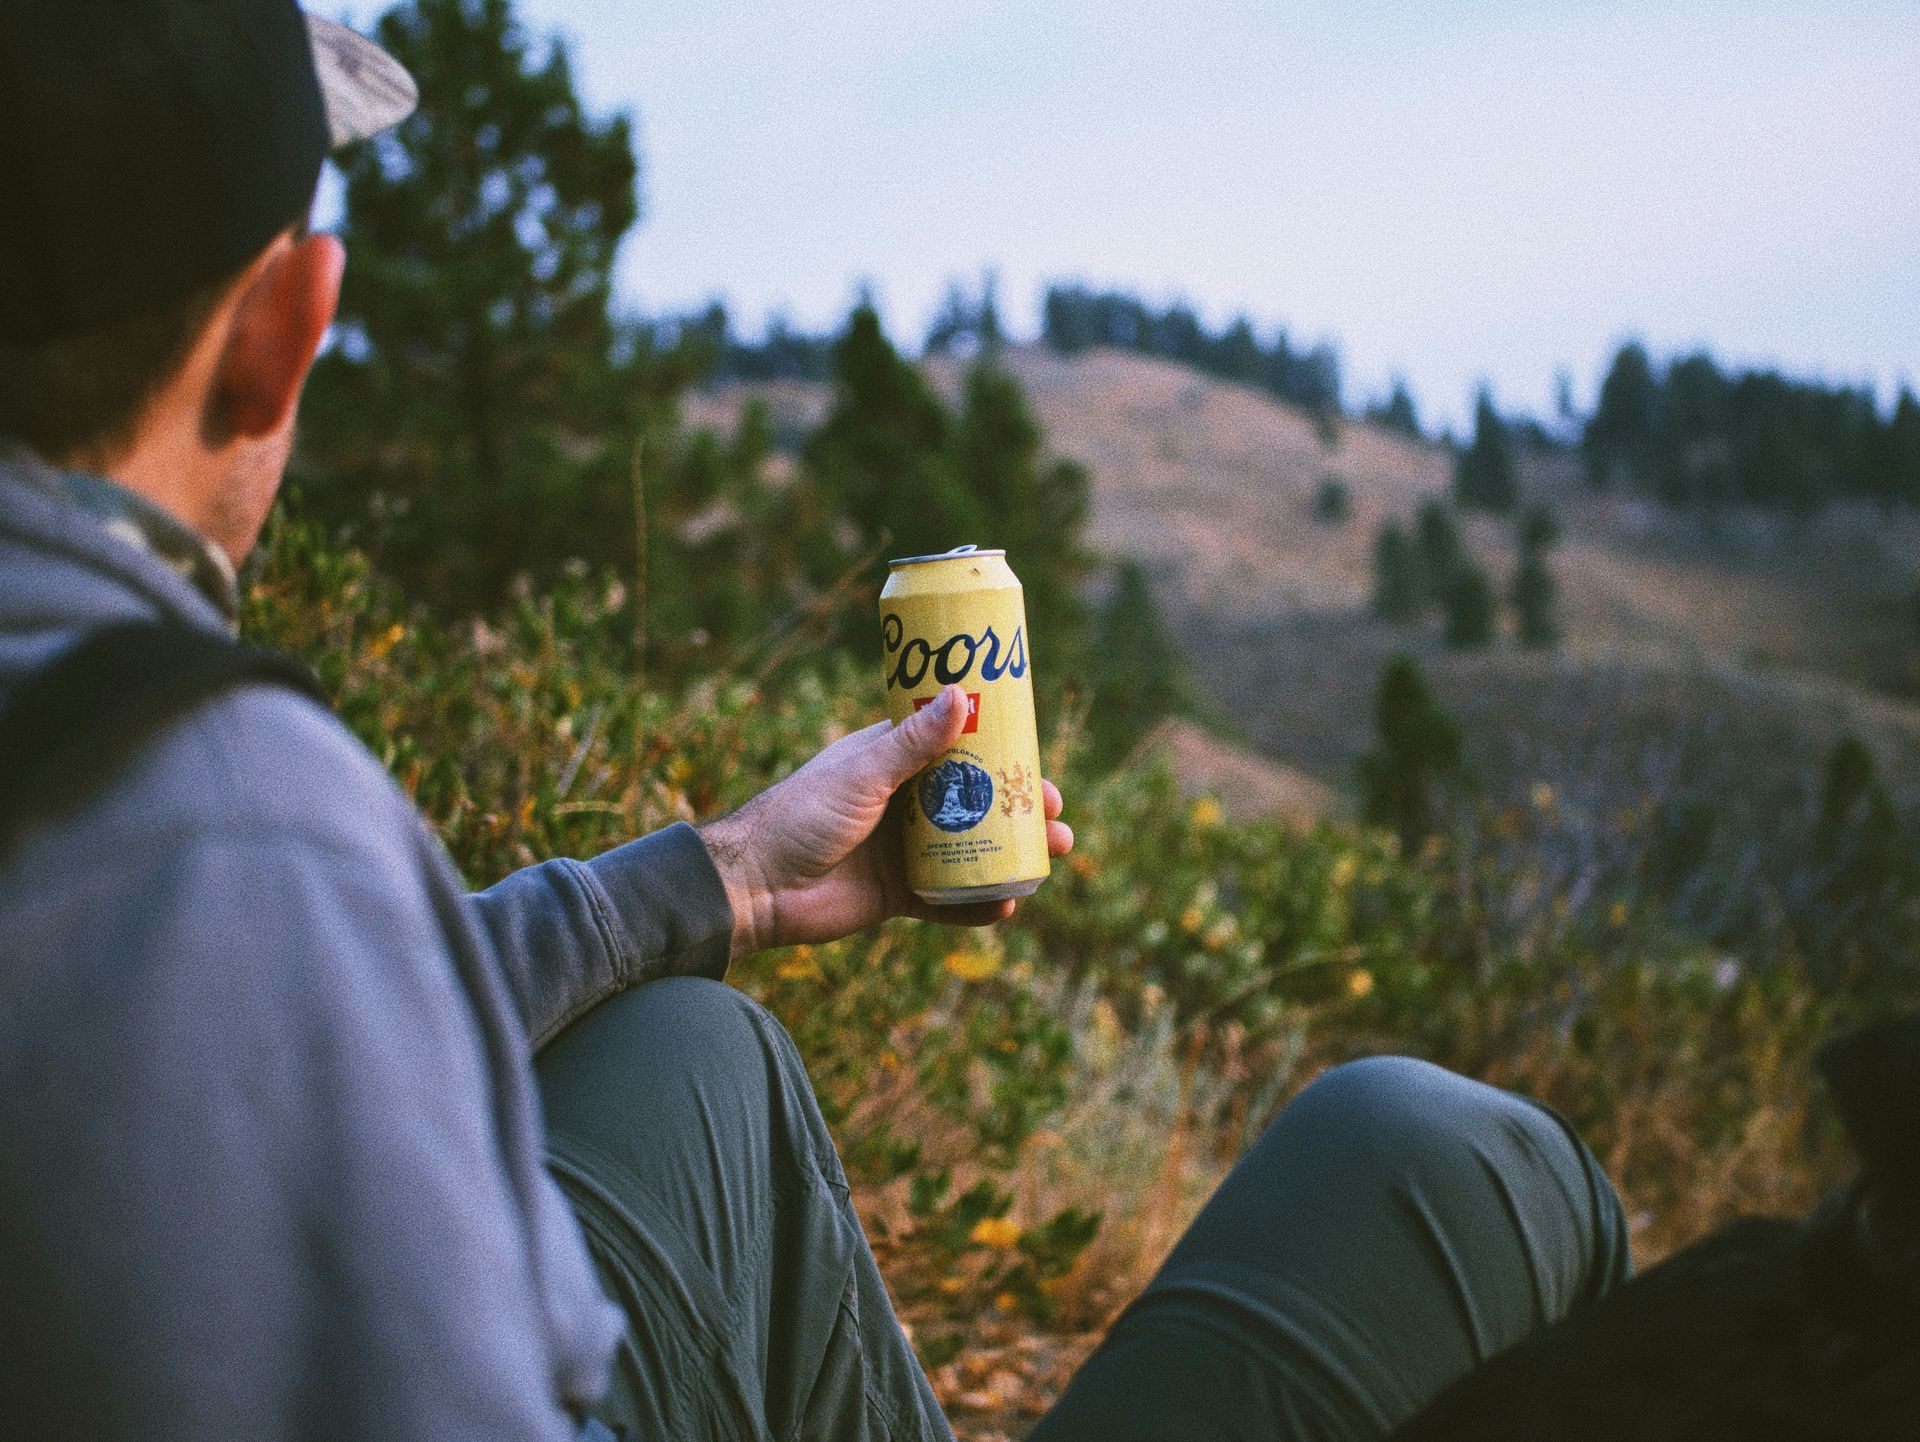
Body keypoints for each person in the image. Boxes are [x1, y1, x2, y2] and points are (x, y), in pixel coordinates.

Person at [0, 4, 1632, 1438]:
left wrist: (729, 877)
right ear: (289, 332)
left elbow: (308, 1029)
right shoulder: (223, 816)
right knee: (1439, 1154)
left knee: (682, 1041)